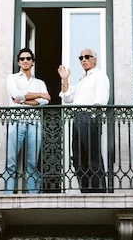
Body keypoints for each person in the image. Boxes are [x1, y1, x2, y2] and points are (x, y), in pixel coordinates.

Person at [57, 48, 110, 193]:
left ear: (95, 59)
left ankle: (99, 192)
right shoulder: (81, 81)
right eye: (81, 58)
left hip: (90, 118)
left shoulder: (100, 76)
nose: (84, 60)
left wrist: (93, 117)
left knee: (93, 156)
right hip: (77, 119)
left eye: (87, 57)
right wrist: (65, 79)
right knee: (78, 158)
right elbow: (67, 98)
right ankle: (86, 191)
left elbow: (100, 100)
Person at [5, 47, 50, 194]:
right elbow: (16, 95)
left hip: (34, 123)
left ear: (32, 62)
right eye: (22, 59)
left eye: (28, 59)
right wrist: (38, 96)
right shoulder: (12, 78)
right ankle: (7, 194)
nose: (25, 61)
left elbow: (46, 100)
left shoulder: (39, 82)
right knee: (11, 162)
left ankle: (33, 194)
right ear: (18, 62)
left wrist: (24, 99)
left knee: (32, 162)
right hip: (16, 121)